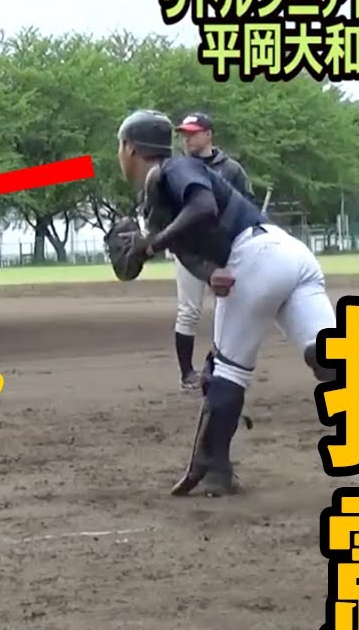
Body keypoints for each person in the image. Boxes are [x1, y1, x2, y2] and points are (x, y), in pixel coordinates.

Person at [108, 109, 337, 498]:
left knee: (225, 373)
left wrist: (151, 245)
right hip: (289, 255)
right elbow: (188, 247)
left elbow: (203, 208)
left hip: (255, 258)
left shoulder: (175, 169)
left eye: (120, 147)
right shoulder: (158, 194)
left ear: (130, 148)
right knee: (331, 357)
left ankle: (215, 470)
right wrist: (208, 270)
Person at [171, 112, 255, 392]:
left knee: (227, 310)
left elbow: (248, 204)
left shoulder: (231, 169)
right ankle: (187, 373)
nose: (187, 139)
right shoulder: (178, 169)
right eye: (184, 134)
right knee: (189, 310)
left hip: (224, 251)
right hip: (190, 250)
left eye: (192, 133)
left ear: (208, 134)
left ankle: (220, 368)